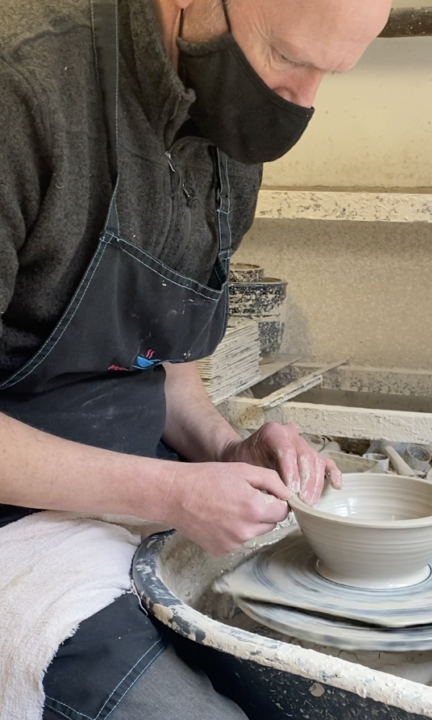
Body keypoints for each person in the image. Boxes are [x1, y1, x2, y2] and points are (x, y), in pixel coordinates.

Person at [0, 0, 391, 717]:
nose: (302, 102)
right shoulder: (21, 86)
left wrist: (226, 447)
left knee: (322, 687)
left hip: (134, 492)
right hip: (15, 527)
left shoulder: (228, 127)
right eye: (291, 59)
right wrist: (173, 495)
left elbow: (161, 360)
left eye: (328, 73)